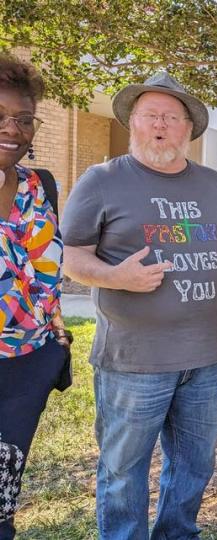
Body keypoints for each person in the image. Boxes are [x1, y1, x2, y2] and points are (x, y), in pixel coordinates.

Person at [61, 72, 217, 539]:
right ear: (133, 123)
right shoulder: (103, 180)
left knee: (194, 466)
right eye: (150, 115)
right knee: (123, 471)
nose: (161, 125)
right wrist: (116, 277)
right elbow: (70, 256)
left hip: (206, 358)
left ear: (188, 129)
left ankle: (176, 534)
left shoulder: (213, 185)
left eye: (172, 117)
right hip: (133, 361)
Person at [0, 55, 71, 540]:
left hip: (27, 364)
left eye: (23, 119)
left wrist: (56, 339)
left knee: (3, 495)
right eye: (0, 116)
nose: (14, 129)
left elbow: (46, 272)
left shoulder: (35, 185)